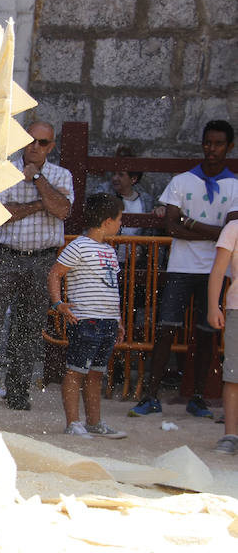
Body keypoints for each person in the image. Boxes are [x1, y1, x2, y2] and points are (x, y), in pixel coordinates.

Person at [129, 120, 237, 419]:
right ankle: (150, 396)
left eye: (217, 144)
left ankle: (198, 397)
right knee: (165, 329)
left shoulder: (235, 185)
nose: (211, 148)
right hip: (180, 266)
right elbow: (171, 226)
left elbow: (228, 230)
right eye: (207, 142)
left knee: (206, 333)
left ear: (229, 147)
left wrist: (189, 223)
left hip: (216, 270)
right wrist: (209, 230)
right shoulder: (181, 180)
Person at [0, 120, 74, 410]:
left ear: (51, 146)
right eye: (31, 140)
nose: (35, 147)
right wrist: (42, 204)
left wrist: (38, 179)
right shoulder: (3, 170)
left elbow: (63, 210)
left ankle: (17, 392)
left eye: (43, 143)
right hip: (4, 255)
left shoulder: (61, 175)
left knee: (28, 329)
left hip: (42, 260)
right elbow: (0, 214)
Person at [48, 193, 128, 438]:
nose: (120, 224)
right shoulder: (79, 245)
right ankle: (73, 422)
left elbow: (111, 287)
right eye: (119, 219)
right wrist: (59, 303)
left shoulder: (110, 251)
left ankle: (94, 422)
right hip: (85, 320)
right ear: (107, 222)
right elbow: (55, 273)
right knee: (76, 371)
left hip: (107, 321)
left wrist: (119, 320)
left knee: (96, 373)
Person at [206, 218, 238, 454]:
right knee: (234, 374)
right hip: (237, 308)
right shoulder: (233, 228)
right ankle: (230, 434)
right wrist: (213, 306)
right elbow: (218, 271)